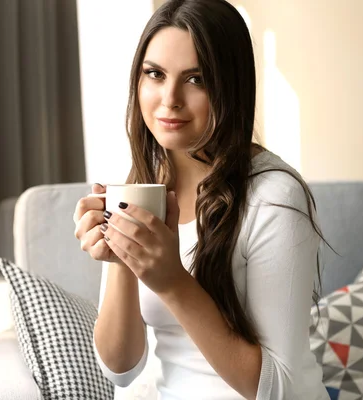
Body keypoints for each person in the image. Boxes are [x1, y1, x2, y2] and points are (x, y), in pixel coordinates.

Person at [73, 0, 329, 399]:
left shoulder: (276, 198)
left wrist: (173, 281)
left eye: (196, 79)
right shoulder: (140, 188)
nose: (169, 98)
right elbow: (120, 370)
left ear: (230, 87)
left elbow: (281, 388)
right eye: (155, 74)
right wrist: (120, 258)